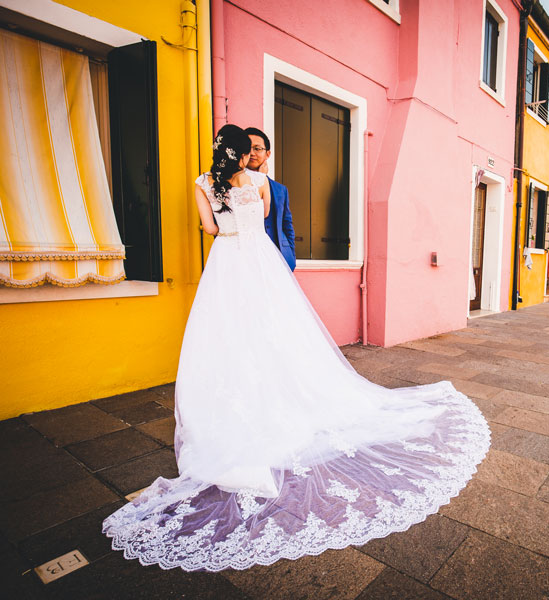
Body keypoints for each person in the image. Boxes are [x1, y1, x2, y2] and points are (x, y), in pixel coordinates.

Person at [102, 126, 490, 572]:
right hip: (258, 260)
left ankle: (235, 396)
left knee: (225, 330)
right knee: (275, 330)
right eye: (249, 149)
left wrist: (221, 220)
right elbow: (265, 216)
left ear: (216, 151)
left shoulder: (202, 183)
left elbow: (209, 228)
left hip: (226, 262)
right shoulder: (256, 183)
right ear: (242, 152)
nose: (254, 154)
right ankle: (277, 387)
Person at [244, 127, 296, 271]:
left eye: (257, 148)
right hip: (247, 258)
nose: (252, 153)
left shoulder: (280, 189)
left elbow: (287, 224)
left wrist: (290, 252)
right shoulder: (232, 186)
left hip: (279, 256)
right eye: (247, 148)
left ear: (267, 154)